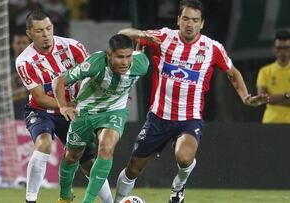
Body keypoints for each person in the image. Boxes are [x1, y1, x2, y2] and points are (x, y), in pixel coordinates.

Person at [113, 0, 269, 203]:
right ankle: (117, 201)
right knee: (133, 168)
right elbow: (123, 33)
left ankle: (178, 187)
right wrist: (142, 36)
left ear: (202, 23)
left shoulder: (212, 48)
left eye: (195, 20)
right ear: (178, 20)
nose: (190, 24)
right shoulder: (164, 37)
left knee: (184, 157)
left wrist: (246, 97)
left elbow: (233, 73)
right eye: (185, 19)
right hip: (159, 116)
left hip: (189, 118)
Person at [15, 10, 113, 203]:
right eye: (39, 31)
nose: (46, 34)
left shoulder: (72, 46)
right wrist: (64, 106)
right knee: (43, 144)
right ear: (29, 34)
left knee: (88, 162)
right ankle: (30, 200)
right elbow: (40, 97)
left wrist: (110, 92)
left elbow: (94, 73)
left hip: (74, 111)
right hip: (42, 111)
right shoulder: (24, 61)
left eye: (48, 28)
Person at [52, 34, 149, 203]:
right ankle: (64, 197)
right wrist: (64, 106)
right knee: (72, 156)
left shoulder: (141, 64)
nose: (125, 62)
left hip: (114, 111)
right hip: (85, 112)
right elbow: (59, 81)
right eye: (120, 57)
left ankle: (88, 201)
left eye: (128, 56)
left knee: (106, 148)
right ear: (109, 55)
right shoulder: (95, 63)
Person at [256, 30, 290, 123]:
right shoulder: (265, 71)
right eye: (279, 48)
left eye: (286, 48)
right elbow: (262, 98)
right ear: (274, 49)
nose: (282, 52)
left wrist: (272, 99)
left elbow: (267, 99)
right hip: (270, 123)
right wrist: (286, 95)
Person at [10, 30, 31, 120]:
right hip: (11, 113)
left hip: (32, 113)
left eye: (24, 43)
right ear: (12, 45)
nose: (21, 46)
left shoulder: (37, 65)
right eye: (18, 43)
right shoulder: (5, 66)